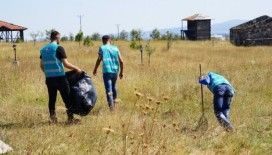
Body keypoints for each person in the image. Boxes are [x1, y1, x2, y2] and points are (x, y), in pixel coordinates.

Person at [40, 30, 82, 124]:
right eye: (60, 37)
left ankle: (53, 119)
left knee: (52, 99)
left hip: (49, 79)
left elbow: (42, 65)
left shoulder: (43, 49)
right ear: (57, 37)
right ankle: (70, 119)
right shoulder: (59, 48)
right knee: (67, 99)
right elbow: (66, 64)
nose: (60, 39)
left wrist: (47, 73)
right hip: (60, 78)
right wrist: (77, 69)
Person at [93, 35, 124, 111]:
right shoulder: (115, 48)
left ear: (103, 41)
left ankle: (112, 109)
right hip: (115, 71)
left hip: (107, 71)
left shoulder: (102, 48)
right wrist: (121, 72)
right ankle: (115, 104)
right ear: (110, 40)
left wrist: (95, 69)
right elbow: (121, 61)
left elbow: (99, 59)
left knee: (109, 90)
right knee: (113, 87)